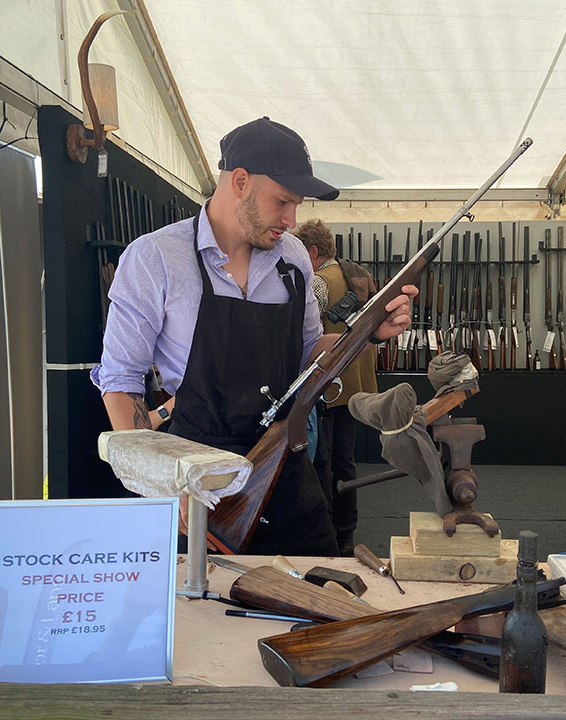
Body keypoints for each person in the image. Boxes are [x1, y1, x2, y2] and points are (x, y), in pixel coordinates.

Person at [91, 117, 415, 555]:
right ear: (239, 181)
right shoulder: (154, 259)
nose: (292, 219)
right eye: (282, 201)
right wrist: (168, 483)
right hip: (194, 485)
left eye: (297, 205)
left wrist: (366, 332)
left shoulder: (294, 257)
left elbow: (307, 353)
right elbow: (121, 382)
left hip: (286, 474)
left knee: (317, 604)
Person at [294, 218, 378, 555]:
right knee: (346, 461)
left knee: (322, 464)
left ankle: (326, 531)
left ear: (312, 251)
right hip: (357, 385)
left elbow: (302, 332)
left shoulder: (317, 282)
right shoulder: (359, 276)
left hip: (329, 386)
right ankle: (346, 534)